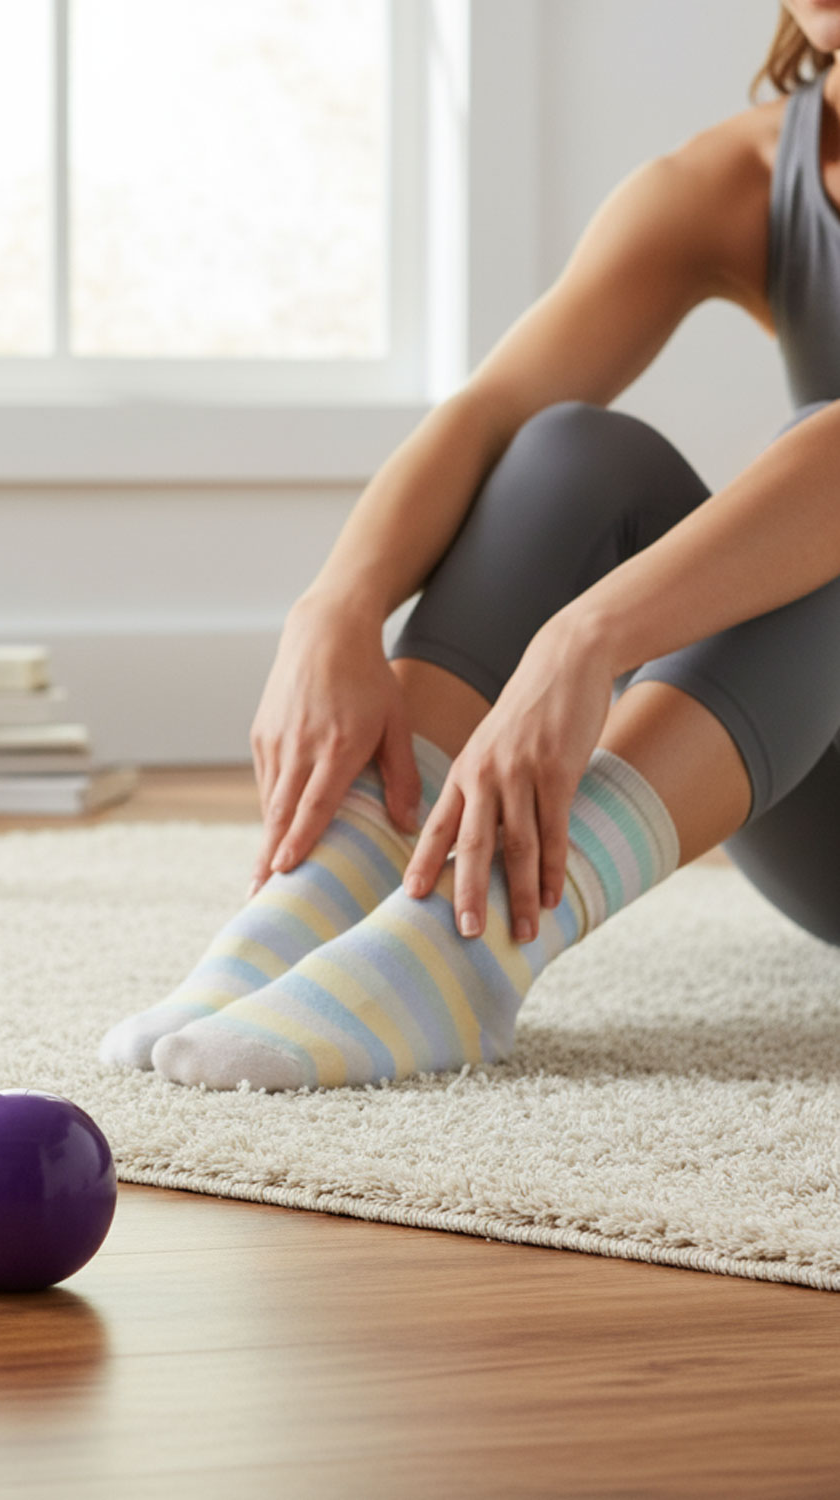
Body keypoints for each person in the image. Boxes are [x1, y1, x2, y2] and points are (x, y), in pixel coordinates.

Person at [100, 3, 840, 1092]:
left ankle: (469, 952)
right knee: (573, 452)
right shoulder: (737, 178)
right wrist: (336, 608)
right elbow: (493, 409)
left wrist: (587, 641)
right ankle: (333, 903)